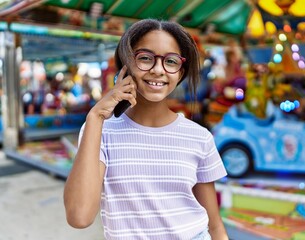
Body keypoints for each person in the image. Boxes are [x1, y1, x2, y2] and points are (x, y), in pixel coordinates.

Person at [63, 19, 228, 240]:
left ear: (180, 73)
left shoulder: (199, 137)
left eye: (171, 61)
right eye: (145, 58)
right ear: (125, 66)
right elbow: (79, 216)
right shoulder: (100, 131)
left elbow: (215, 226)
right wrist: (95, 117)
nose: (158, 70)